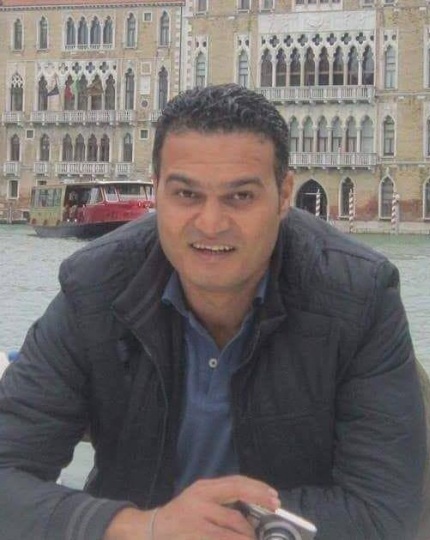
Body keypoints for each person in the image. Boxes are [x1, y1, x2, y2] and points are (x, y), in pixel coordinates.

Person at [0, 84, 426, 540]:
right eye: (186, 194)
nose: (210, 224)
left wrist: (222, 525)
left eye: (240, 197)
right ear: (157, 190)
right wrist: (145, 527)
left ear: (284, 194)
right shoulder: (93, 288)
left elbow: (384, 510)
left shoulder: (360, 297)